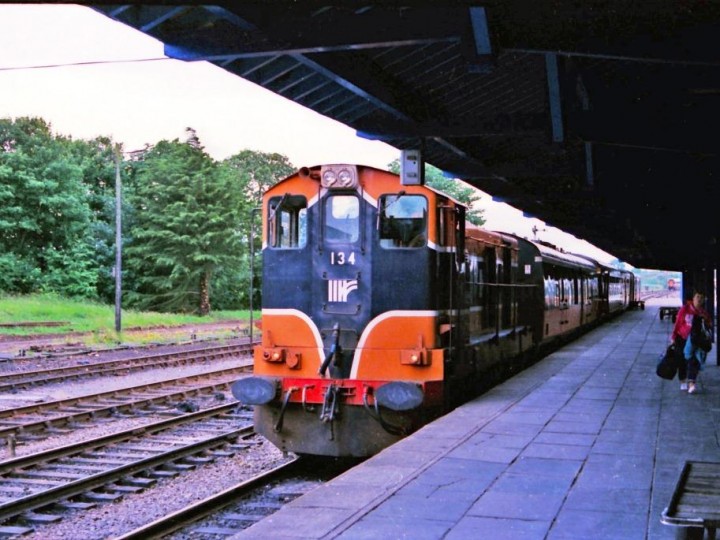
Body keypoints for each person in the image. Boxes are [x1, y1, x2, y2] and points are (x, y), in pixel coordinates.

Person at [671, 292, 713, 394]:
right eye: (697, 297)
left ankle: (691, 382)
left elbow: (709, 325)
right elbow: (678, 323)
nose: (699, 299)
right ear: (693, 298)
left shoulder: (703, 312)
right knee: (682, 360)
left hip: (696, 340)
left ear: (703, 300)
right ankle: (683, 380)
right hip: (682, 338)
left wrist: (706, 321)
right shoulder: (685, 309)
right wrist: (673, 336)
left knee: (694, 360)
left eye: (701, 298)